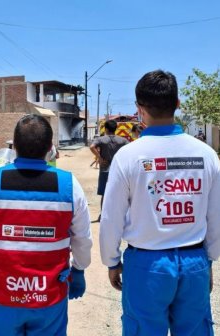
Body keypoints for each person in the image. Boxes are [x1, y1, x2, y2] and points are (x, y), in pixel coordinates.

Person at [99, 70, 220, 335]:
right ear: (177, 104)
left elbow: (111, 218)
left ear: (139, 109)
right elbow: (216, 216)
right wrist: (208, 260)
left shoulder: (128, 157)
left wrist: (112, 261)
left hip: (146, 266)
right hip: (193, 262)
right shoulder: (206, 155)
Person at [0, 114, 92, 335]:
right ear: (50, 147)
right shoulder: (70, 185)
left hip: (1, 297)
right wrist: (79, 269)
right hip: (49, 299)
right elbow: (83, 238)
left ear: (15, 145)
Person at [89, 120, 129, 221]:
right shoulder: (123, 140)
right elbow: (130, 149)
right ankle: (119, 215)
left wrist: (100, 158)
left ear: (106, 129)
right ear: (115, 128)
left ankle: (104, 215)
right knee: (120, 193)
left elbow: (92, 147)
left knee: (104, 194)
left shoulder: (101, 139)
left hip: (105, 170)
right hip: (119, 171)